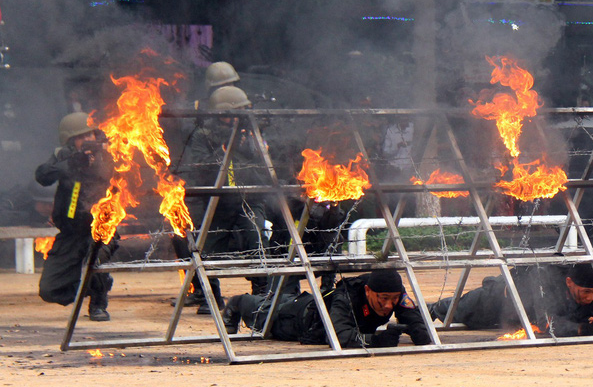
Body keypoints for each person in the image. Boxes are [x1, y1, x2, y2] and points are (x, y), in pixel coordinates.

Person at [179, 85, 272, 315]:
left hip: (247, 199)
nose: (239, 118)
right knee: (204, 250)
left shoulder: (251, 134)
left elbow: (265, 163)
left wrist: (251, 142)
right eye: (236, 113)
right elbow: (199, 167)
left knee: (256, 239)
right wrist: (223, 149)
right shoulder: (204, 136)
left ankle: (261, 295)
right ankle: (211, 297)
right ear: (222, 114)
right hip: (217, 203)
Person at [35, 112, 116, 321]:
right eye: (82, 136)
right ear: (71, 140)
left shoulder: (108, 154)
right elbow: (42, 175)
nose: (88, 139)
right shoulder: (63, 156)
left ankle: (98, 300)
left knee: (95, 258)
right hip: (71, 232)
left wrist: (94, 161)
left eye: (90, 134)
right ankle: (88, 285)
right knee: (49, 290)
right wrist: (71, 164)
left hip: (100, 230)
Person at [222, 269, 431, 348]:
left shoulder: (394, 292)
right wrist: (375, 340)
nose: (388, 306)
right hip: (297, 319)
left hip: (310, 303)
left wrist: (418, 330)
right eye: (383, 299)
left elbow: (412, 316)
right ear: (368, 291)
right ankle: (236, 303)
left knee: (284, 298)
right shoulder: (346, 296)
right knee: (260, 309)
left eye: (393, 300)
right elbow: (339, 336)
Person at [428, 262, 593, 337]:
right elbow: (547, 324)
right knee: (457, 311)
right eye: (586, 292)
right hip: (498, 299)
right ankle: (428, 309)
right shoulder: (545, 283)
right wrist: (580, 329)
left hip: (524, 313)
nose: (591, 297)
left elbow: (590, 316)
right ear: (569, 282)